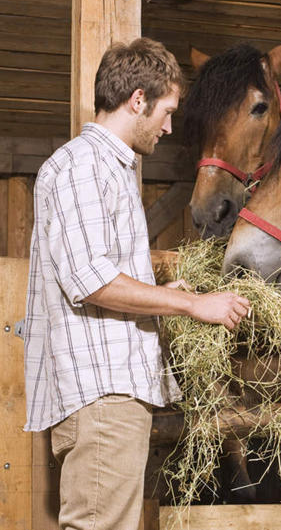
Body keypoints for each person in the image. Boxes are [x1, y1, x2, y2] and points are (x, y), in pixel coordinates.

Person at [23, 37, 250, 530]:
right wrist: (191, 306)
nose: (168, 127)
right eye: (167, 112)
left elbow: (99, 270)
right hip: (103, 392)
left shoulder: (109, 169)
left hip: (112, 393)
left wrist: (170, 294)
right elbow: (91, 280)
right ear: (138, 99)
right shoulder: (83, 166)